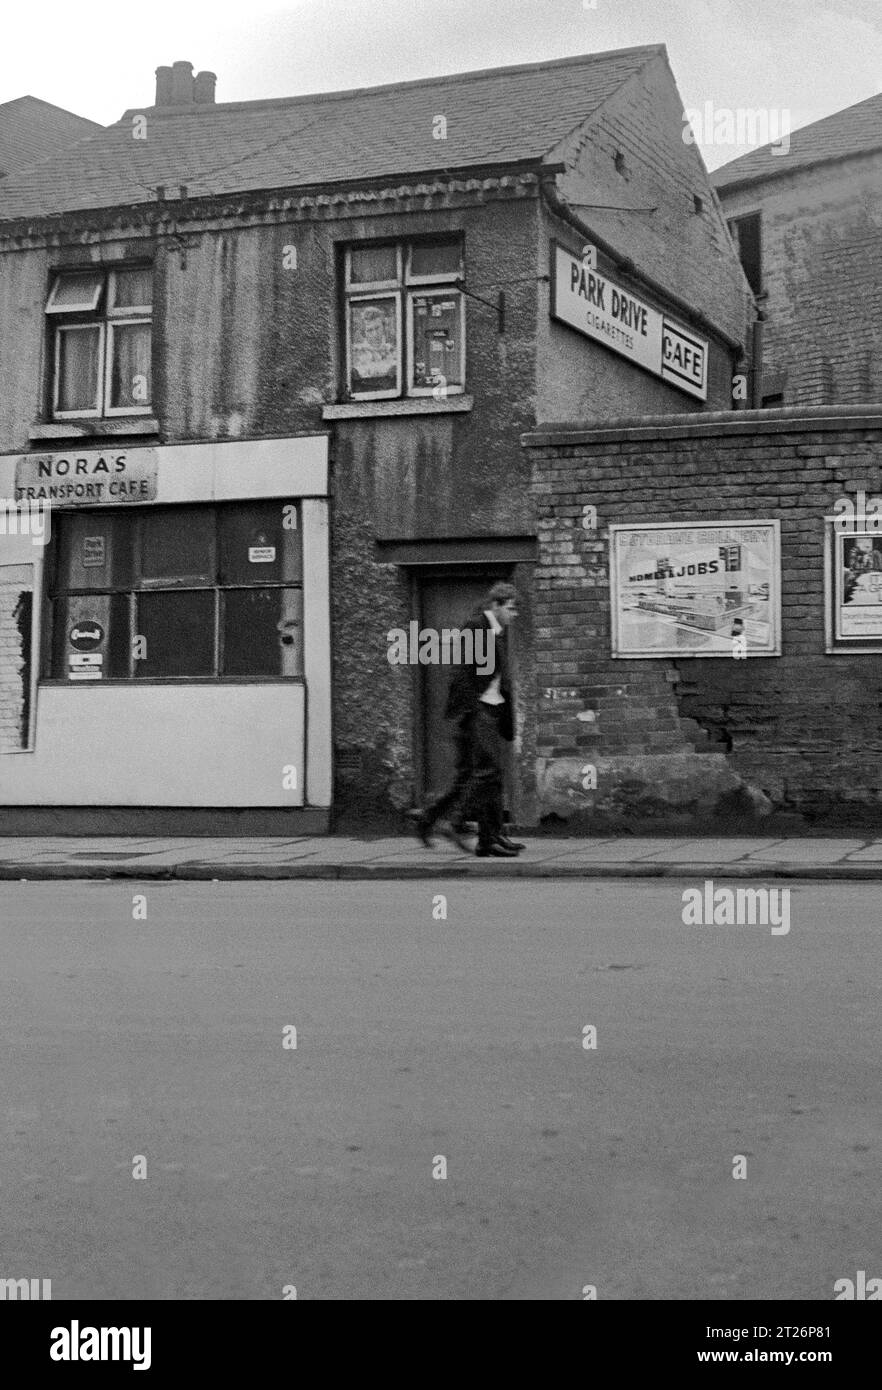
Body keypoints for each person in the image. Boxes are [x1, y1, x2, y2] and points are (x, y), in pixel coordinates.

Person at [409, 581, 524, 857]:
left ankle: (487, 835)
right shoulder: (476, 628)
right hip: (478, 711)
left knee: (476, 776)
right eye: (510, 608)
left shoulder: (493, 630)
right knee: (488, 772)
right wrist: (471, 711)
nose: (514, 614)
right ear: (495, 605)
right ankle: (456, 823)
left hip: (491, 710)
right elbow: (461, 672)